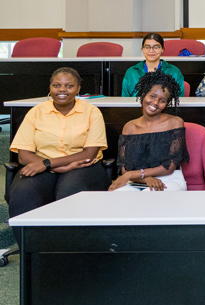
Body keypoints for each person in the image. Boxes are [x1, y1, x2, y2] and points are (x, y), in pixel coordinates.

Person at [8, 67, 108, 219]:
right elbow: (23, 155)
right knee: (24, 193)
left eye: (69, 86)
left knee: (71, 192)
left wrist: (48, 163)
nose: (62, 90)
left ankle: (67, 243)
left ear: (78, 89)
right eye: (56, 85)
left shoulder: (91, 112)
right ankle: (30, 243)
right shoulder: (36, 111)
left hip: (81, 166)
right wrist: (57, 167)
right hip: (40, 164)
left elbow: (89, 154)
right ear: (50, 88)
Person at [109, 70, 188, 192]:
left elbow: (170, 167)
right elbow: (125, 168)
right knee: (117, 195)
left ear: (167, 104)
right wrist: (145, 179)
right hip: (136, 180)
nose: (155, 103)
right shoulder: (129, 127)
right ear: (143, 95)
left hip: (168, 179)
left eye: (162, 100)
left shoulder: (175, 122)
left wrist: (132, 175)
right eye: (152, 96)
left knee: (150, 196)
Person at [121, 33, 185, 97]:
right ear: (142, 49)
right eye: (147, 47)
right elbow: (124, 101)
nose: (151, 51)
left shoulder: (174, 72)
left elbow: (180, 99)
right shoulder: (131, 73)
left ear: (162, 49)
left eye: (156, 47)